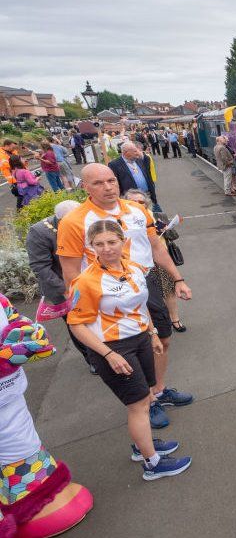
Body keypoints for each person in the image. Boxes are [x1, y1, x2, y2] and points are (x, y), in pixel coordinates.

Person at [57, 164, 194, 429]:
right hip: (106, 294)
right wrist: (80, 311)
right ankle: (146, 402)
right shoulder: (74, 221)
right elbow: (71, 272)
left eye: (111, 180)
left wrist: (178, 279)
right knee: (132, 349)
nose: (108, 186)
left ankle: (159, 390)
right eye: (98, 183)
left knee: (162, 337)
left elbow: (156, 246)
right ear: (85, 187)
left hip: (144, 282)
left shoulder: (138, 210)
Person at [66, 220, 191, 482]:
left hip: (140, 340)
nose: (107, 248)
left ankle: (141, 446)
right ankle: (152, 464)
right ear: (91, 246)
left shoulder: (133, 269)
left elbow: (139, 305)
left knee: (145, 398)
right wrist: (108, 355)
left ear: (122, 241)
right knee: (137, 406)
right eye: (99, 244)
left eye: (112, 242)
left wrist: (153, 333)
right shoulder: (86, 281)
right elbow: (76, 325)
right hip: (113, 347)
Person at [0, 293, 93, 537]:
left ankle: (31, 495)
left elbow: (16, 320)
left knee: (22, 441)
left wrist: (28, 336)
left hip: (11, 399)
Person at [25, 200, 98, 374]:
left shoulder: (87, 221)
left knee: (98, 320)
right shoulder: (39, 232)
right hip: (64, 288)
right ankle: (92, 358)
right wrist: (66, 290)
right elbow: (40, 267)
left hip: (92, 281)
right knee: (79, 323)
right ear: (60, 220)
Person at [124, 189, 186, 333]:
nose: (137, 205)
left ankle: (174, 319)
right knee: (146, 296)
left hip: (160, 260)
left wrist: (165, 229)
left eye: (141, 202)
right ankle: (152, 324)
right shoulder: (122, 219)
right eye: (133, 202)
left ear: (146, 203)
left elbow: (174, 235)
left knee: (169, 291)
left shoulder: (157, 216)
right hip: (138, 265)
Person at [108, 142, 159, 208]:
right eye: (135, 151)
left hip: (147, 195)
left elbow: (148, 174)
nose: (137, 153)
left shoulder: (138, 160)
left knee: (152, 214)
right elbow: (115, 184)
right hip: (132, 200)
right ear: (126, 153)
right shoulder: (114, 165)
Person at [1, 140, 23, 207]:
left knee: (23, 194)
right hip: (13, 177)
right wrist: (19, 163)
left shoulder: (13, 151)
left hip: (20, 175)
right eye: (12, 147)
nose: (14, 148)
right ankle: (20, 211)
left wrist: (23, 163)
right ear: (7, 146)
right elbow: (5, 165)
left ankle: (22, 210)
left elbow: (19, 161)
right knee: (21, 195)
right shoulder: (1, 154)